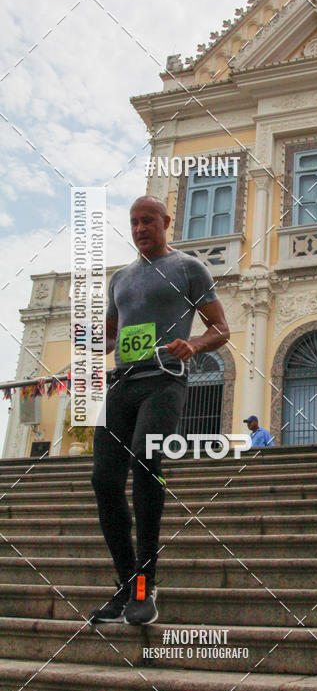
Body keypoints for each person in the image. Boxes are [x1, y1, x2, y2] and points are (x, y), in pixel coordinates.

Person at [89, 196, 230, 625]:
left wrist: (195, 344)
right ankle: (126, 586)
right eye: (134, 222)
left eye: (147, 220)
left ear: (166, 222)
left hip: (165, 382)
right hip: (122, 385)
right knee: (103, 480)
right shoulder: (119, 279)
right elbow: (111, 337)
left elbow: (220, 328)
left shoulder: (189, 268)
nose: (139, 229)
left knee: (145, 459)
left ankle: (145, 586)